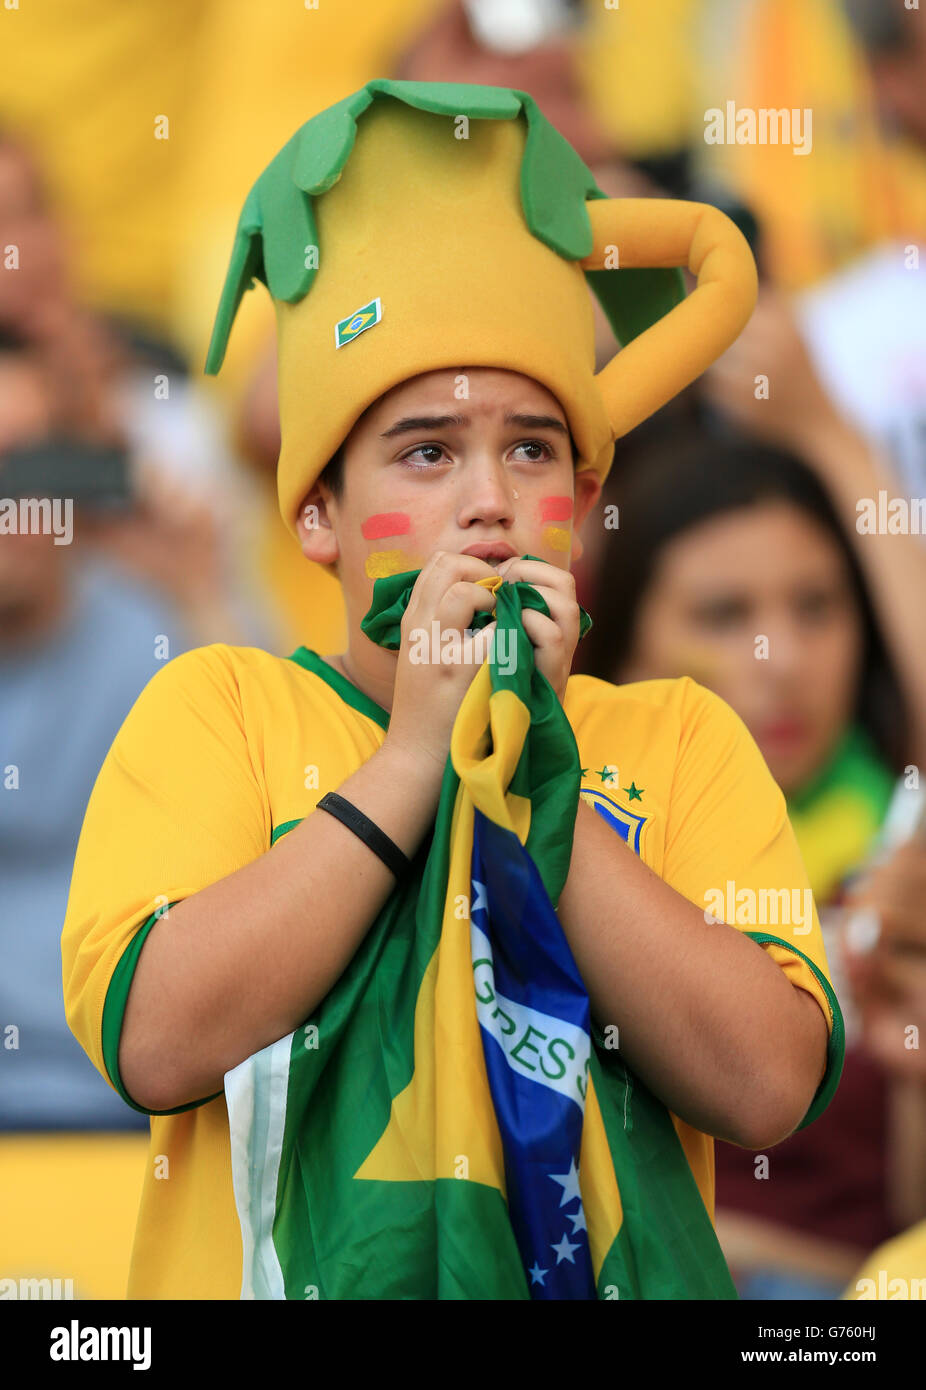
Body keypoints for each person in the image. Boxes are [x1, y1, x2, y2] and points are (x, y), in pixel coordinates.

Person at [61, 78, 841, 1300]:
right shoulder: (218, 709)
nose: (488, 497)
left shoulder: (679, 734)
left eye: (531, 448)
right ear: (315, 514)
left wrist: (534, 781)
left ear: (580, 506)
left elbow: (766, 1088)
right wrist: (413, 759)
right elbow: (155, 1043)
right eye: (427, 451)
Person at [582, 421, 925, 1296]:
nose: (785, 660)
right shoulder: (547, 835)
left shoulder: (905, 845)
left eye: (817, 606)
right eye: (724, 615)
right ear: (624, 653)